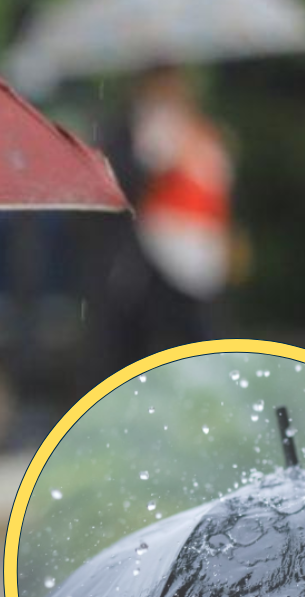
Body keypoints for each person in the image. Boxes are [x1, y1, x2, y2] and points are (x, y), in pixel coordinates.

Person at [95, 65, 239, 378]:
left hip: (199, 257)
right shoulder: (126, 132)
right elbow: (119, 184)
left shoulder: (202, 131)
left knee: (201, 342)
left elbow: (216, 192)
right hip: (147, 260)